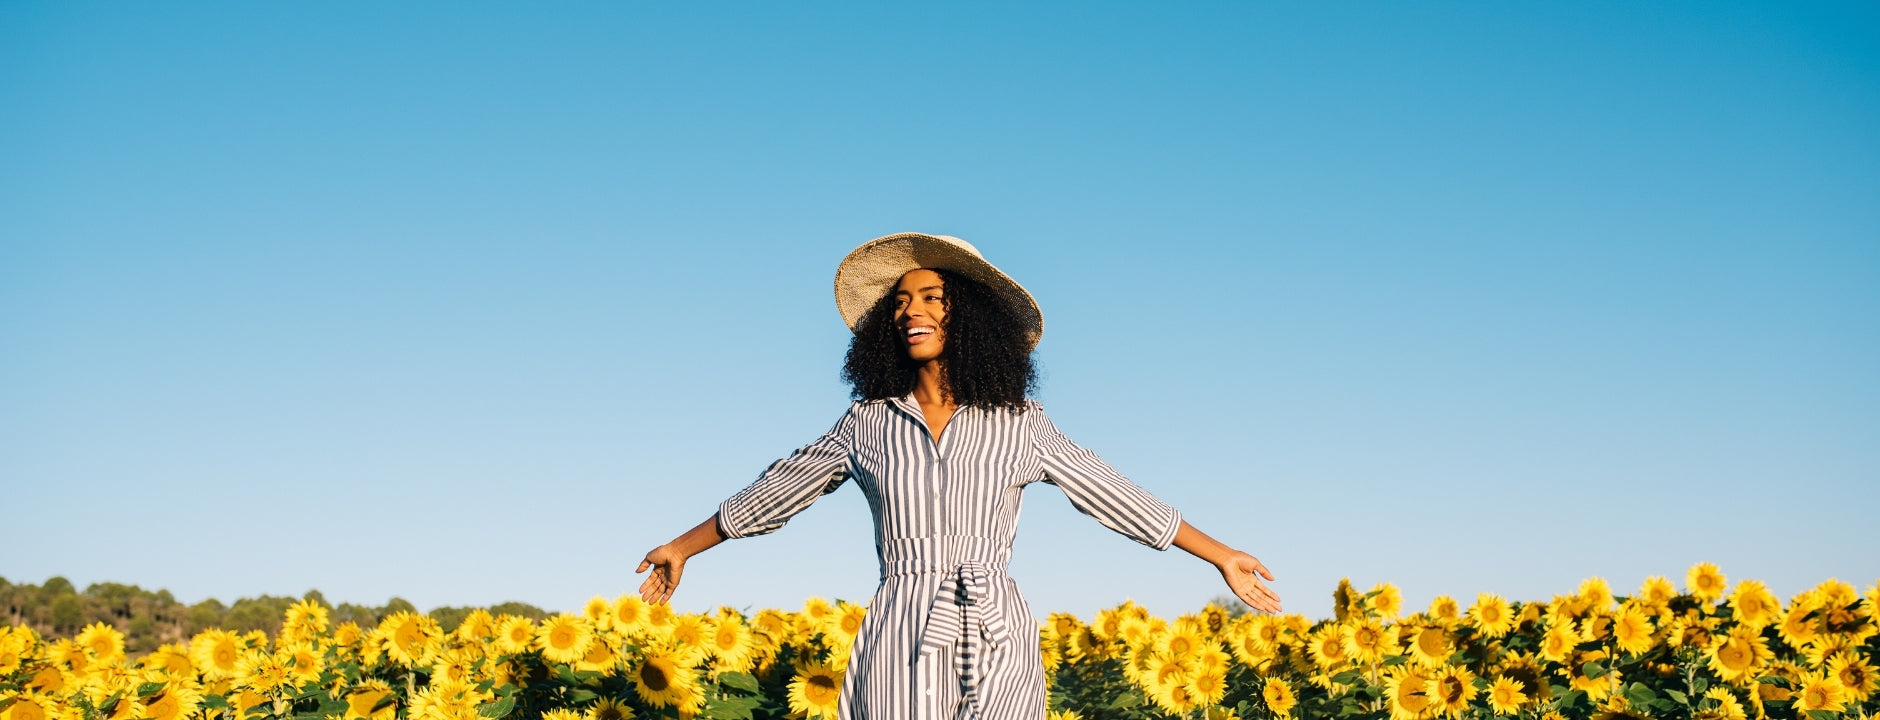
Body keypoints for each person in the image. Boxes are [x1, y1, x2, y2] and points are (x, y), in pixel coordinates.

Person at [637, 233, 1281, 720]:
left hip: (997, 624)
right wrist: (682, 548)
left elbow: (1113, 494)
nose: (910, 311)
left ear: (966, 316)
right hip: (900, 625)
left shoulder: (1021, 422)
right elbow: (777, 491)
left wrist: (1221, 555)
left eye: (931, 297)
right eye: (900, 301)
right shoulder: (866, 423)